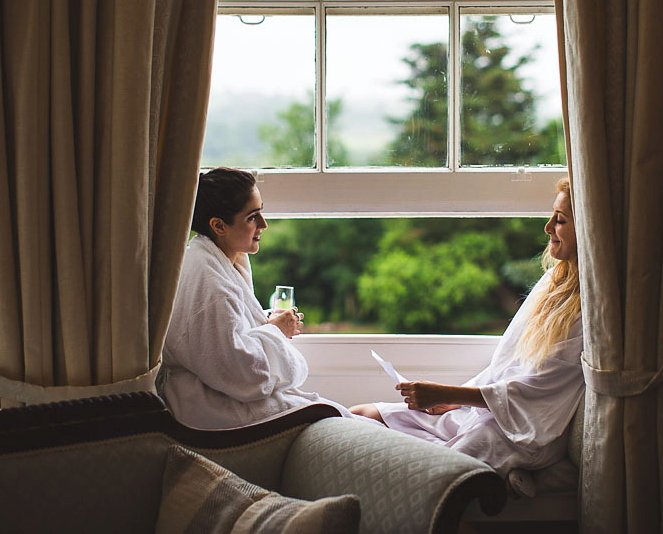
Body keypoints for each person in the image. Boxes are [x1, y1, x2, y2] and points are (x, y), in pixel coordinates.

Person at [350, 178, 584, 478]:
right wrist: (452, 399)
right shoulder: (553, 282)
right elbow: (506, 365)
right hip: (488, 410)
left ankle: (498, 472)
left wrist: (448, 394)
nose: (548, 227)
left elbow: (536, 391)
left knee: (433, 478)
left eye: (560, 220)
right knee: (360, 416)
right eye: (552, 215)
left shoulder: (587, 307)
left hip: (521, 432)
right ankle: (498, 474)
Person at [158, 167, 357, 429]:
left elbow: (222, 339)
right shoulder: (212, 285)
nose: (264, 224)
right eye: (253, 217)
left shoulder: (209, 262)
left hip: (211, 397)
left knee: (350, 417)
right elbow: (245, 377)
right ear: (218, 225)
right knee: (340, 418)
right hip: (214, 412)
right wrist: (274, 331)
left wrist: (266, 323)